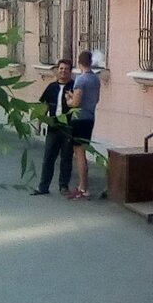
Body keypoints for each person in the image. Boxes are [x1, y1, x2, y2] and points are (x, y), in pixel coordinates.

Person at [31, 58, 74, 196]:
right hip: (53, 127)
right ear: (57, 70)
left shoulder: (74, 87)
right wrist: (39, 124)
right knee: (48, 157)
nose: (63, 71)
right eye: (61, 68)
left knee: (66, 158)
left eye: (66, 69)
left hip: (68, 128)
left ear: (70, 71)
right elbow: (44, 106)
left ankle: (64, 186)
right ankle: (43, 187)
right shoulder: (51, 87)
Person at [65, 50, 101, 199]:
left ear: (79, 62)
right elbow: (95, 99)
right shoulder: (95, 79)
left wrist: (69, 100)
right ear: (90, 62)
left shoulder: (80, 79)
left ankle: (83, 187)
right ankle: (82, 186)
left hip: (79, 119)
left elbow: (75, 103)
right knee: (83, 150)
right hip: (90, 117)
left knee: (79, 153)